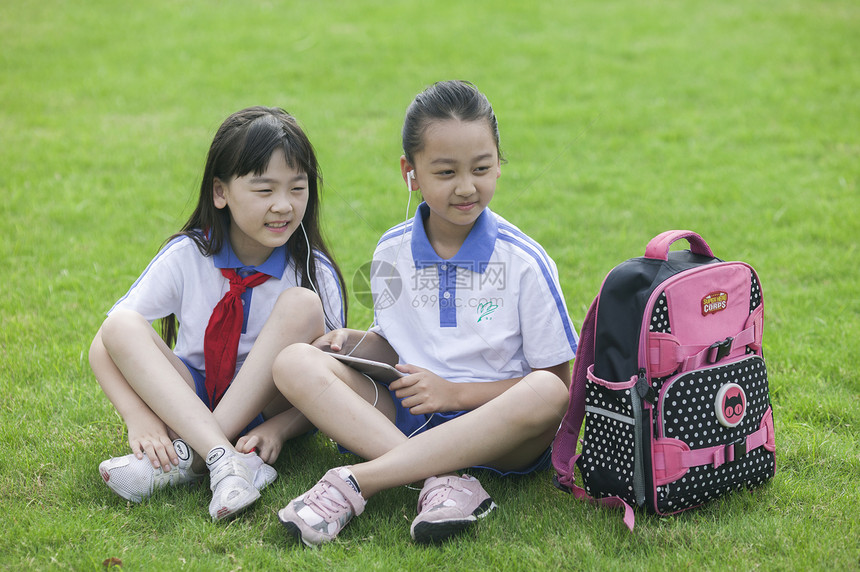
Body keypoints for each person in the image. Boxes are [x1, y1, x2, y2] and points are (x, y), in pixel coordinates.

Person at [273, 81, 577, 546]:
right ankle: (446, 483)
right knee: (293, 361)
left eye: (482, 168)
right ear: (410, 172)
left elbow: (560, 384)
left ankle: (360, 481)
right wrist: (354, 345)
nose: (466, 187)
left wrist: (454, 394)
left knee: (544, 393)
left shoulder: (523, 262)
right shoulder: (392, 249)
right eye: (445, 171)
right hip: (408, 412)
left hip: (501, 430)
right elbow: (396, 346)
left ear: (499, 162)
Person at [89, 107, 346, 521]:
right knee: (118, 325)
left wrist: (279, 428)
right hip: (191, 397)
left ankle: (190, 457)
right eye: (264, 191)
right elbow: (105, 346)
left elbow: (334, 378)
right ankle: (223, 459)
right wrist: (138, 418)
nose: (283, 205)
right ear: (220, 193)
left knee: (301, 305)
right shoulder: (188, 255)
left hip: (269, 405)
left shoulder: (312, 271)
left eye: (298, 189)